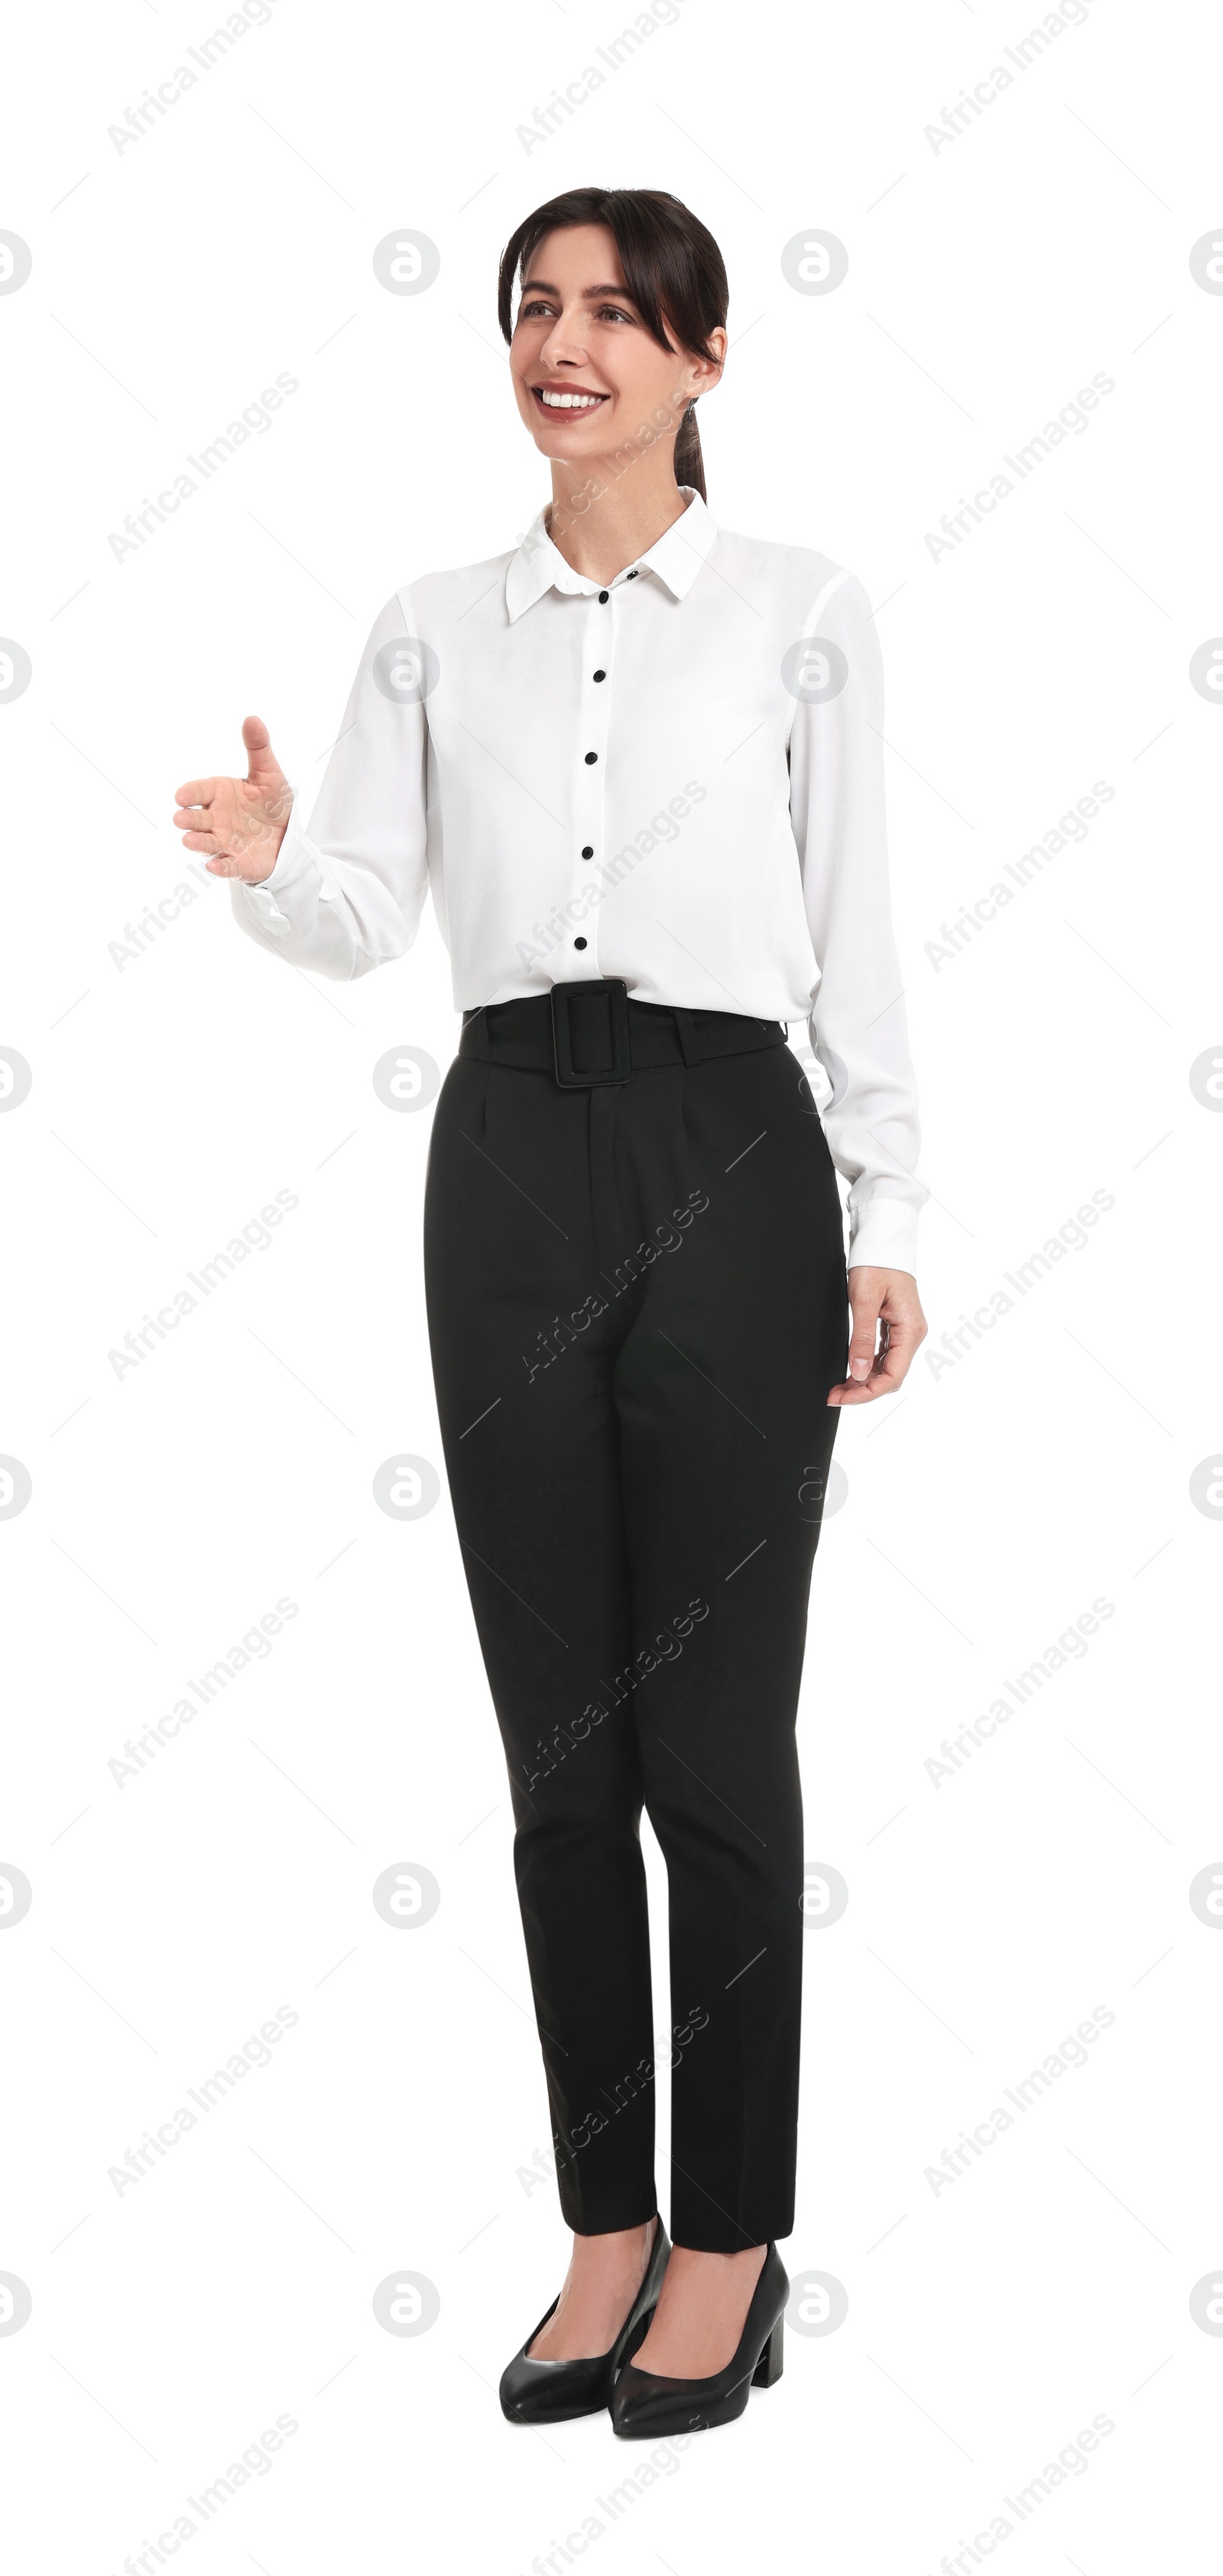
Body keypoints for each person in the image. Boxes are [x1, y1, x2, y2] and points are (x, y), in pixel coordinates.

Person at [173, 184, 927, 2438]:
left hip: (730, 1148)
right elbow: (364, 914)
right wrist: (265, 867)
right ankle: (606, 2223)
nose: (561, 343)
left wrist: (888, 1205)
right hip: (503, 1144)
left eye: (613, 311)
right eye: (533, 309)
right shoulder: (430, 625)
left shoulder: (805, 610)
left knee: (715, 1740)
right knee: (558, 1752)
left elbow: (862, 917)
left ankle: (733, 2237)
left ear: (703, 359)